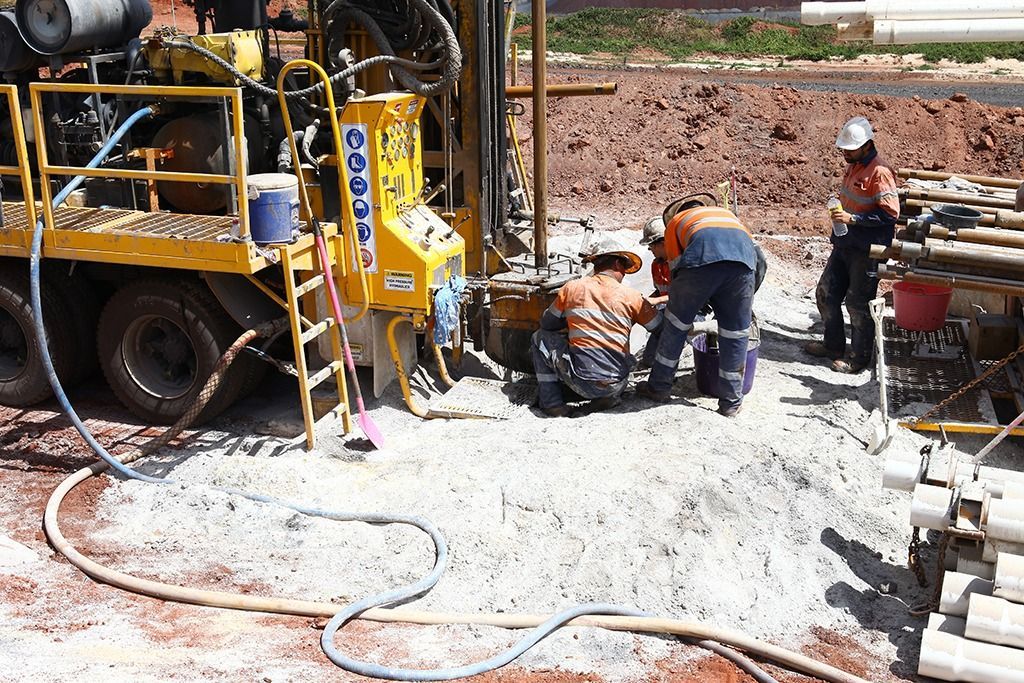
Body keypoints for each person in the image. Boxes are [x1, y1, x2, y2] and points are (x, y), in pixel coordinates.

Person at [636, 194, 757, 417]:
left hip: (699, 265)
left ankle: (659, 386)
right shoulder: (731, 217)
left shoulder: (676, 223)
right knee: (736, 334)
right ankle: (730, 402)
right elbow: (759, 260)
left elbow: (676, 268)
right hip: (743, 269)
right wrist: (744, 298)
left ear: (678, 211)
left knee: (675, 325)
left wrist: (690, 302)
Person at [804, 116, 899, 374]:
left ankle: (858, 359)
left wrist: (853, 218)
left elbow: (890, 215)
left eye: (850, 148)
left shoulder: (879, 172)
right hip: (845, 243)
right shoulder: (854, 165)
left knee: (857, 304)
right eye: (844, 148)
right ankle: (833, 346)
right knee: (826, 294)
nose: (845, 152)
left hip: (867, 250)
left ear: (866, 145)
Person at [531, 236, 661, 417]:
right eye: (624, 269)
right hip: (618, 384)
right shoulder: (633, 296)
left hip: (583, 383)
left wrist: (572, 319)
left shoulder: (572, 288)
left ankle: (552, 404)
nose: (624, 274)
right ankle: (607, 396)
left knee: (538, 337)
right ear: (617, 264)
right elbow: (659, 329)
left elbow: (547, 324)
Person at [638, 216, 671, 369]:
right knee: (649, 359)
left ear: (663, 243)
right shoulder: (656, 265)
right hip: (666, 309)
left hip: (690, 311)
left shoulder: (680, 263)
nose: (650, 250)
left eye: (652, 246)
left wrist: (656, 302)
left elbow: (686, 297)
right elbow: (660, 292)